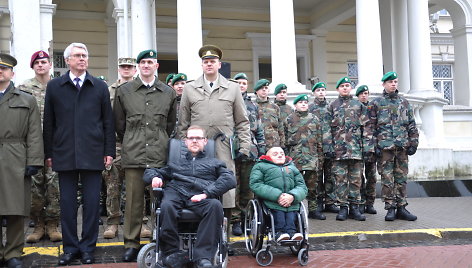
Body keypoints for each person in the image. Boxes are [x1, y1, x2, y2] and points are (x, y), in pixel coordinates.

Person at [43, 42, 116, 265]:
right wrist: (48, 153)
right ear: (67, 61)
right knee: (67, 204)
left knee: (92, 204)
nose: (82, 58)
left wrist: (109, 151)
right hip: (64, 153)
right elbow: (49, 123)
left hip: (93, 153)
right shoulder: (55, 86)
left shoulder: (99, 87)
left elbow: (107, 122)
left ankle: (87, 248)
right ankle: (70, 248)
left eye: (85, 55)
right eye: (77, 55)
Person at [114, 49, 177, 262]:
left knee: (160, 202)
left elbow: (169, 124)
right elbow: (119, 125)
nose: (147, 65)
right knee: (133, 202)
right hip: (134, 154)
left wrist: (158, 141)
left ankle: (160, 241)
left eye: (150, 62)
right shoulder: (125, 91)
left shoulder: (168, 93)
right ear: (138, 66)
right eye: (143, 62)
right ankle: (131, 244)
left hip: (159, 156)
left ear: (156, 66)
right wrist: (133, 140)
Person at [143, 125, 236, 268]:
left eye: (198, 138)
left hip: (201, 195)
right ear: (185, 142)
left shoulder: (215, 163)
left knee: (215, 205)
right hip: (176, 192)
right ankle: (172, 253)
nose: (194, 141)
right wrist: (155, 177)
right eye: (191, 138)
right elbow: (151, 172)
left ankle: (203, 257)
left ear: (205, 141)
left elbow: (229, 179)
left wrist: (206, 194)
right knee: (166, 206)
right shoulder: (175, 164)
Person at [177, 44, 251, 212]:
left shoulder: (232, 88)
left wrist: (245, 146)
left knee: (225, 184)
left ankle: (225, 226)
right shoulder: (190, 88)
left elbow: (242, 121)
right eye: (206, 62)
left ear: (219, 64)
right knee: (197, 181)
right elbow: (183, 122)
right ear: (202, 65)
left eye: (213, 61)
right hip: (197, 146)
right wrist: (183, 146)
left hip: (223, 145)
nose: (209, 64)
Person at [0, 53, 43, 268]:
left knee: (16, 208)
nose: (0, 71)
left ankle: (13, 252)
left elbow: (34, 132)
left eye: (4, 68)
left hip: (16, 156)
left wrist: (34, 161)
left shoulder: (26, 99)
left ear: (12, 73)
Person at [17, 50, 62, 243]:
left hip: (56, 144)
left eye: (44, 62)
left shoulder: (59, 86)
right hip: (32, 145)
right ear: (33, 66)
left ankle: (52, 224)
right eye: (37, 63)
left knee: (55, 186)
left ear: (50, 64)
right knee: (34, 188)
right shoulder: (23, 88)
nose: (41, 65)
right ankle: (38, 224)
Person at [370, 72, 419, 221]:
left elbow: (411, 123)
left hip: (402, 147)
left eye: (396, 82)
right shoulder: (376, 103)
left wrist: (414, 142)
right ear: (383, 84)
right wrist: (374, 146)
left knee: (401, 178)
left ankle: (401, 207)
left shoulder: (404, 102)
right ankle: (390, 208)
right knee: (387, 178)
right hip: (385, 148)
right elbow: (370, 127)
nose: (393, 84)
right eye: (390, 82)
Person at [328, 77, 374, 221]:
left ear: (351, 88)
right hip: (338, 151)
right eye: (342, 86)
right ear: (338, 89)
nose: (345, 88)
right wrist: (328, 147)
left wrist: (368, 147)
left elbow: (367, 128)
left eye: (347, 85)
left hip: (356, 150)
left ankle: (355, 207)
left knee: (355, 180)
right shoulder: (332, 106)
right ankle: (343, 208)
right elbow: (327, 129)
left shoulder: (359, 105)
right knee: (340, 180)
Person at [102, 57, 137, 239]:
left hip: (136, 143)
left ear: (135, 70)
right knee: (112, 185)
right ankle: (113, 222)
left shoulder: (140, 90)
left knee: (137, 186)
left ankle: (141, 221)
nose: (126, 69)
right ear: (119, 69)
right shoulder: (109, 91)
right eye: (123, 66)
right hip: (115, 144)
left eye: (129, 67)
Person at [231, 73, 266, 236]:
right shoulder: (227, 102)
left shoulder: (253, 106)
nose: (242, 85)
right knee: (233, 187)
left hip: (250, 153)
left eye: (244, 83)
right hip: (231, 151)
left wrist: (262, 150)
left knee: (247, 188)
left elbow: (259, 131)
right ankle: (235, 220)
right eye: (238, 83)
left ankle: (246, 217)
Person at [249, 147, 307, 242]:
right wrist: (278, 196)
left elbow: (302, 186)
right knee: (278, 216)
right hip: (271, 202)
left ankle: (292, 233)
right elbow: (256, 184)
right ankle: (278, 232)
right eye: (275, 154)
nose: (280, 155)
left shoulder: (291, 167)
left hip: (291, 202)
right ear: (267, 157)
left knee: (292, 216)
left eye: (282, 153)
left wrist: (292, 196)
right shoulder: (261, 166)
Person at [286, 94, 327, 220]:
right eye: (301, 102)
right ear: (295, 105)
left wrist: (320, 158)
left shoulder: (314, 119)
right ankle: (294, 209)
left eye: (305, 102)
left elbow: (319, 140)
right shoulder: (289, 120)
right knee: (294, 186)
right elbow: (284, 140)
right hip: (295, 159)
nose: (304, 104)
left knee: (312, 186)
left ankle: (313, 210)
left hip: (311, 158)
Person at [308, 82, 339, 214]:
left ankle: (330, 202)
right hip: (316, 148)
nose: (321, 92)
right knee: (317, 176)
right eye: (318, 90)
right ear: (314, 93)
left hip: (330, 146)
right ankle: (319, 201)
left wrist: (334, 145)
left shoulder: (331, 107)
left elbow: (336, 126)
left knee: (330, 176)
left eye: (323, 90)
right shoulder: (309, 108)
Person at [355, 85, 377, 215]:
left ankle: (370, 203)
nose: (364, 95)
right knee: (359, 177)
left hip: (372, 149)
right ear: (358, 96)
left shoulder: (373, 108)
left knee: (372, 177)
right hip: (358, 148)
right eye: (362, 93)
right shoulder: (355, 108)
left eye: (366, 93)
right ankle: (361, 202)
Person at [254, 79, 285, 149]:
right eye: (262, 88)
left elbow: (280, 128)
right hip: (258, 145)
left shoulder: (275, 107)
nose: (264, 90)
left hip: (274, 145)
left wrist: (282, 145)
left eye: (266, 88)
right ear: (256, 91)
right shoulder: (252, 106)